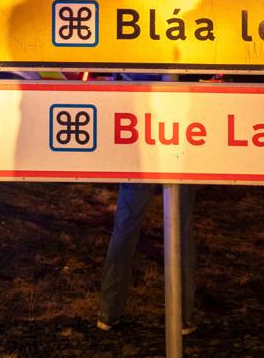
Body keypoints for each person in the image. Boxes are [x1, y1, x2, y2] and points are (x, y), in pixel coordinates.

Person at [96, 71, 209, 334]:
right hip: (180, 133)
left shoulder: (137, 49)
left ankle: (109, 313)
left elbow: (124, 71)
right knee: (180, 229)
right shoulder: (179, 46)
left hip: (141, 135)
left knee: (126, 224)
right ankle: (182, 317)